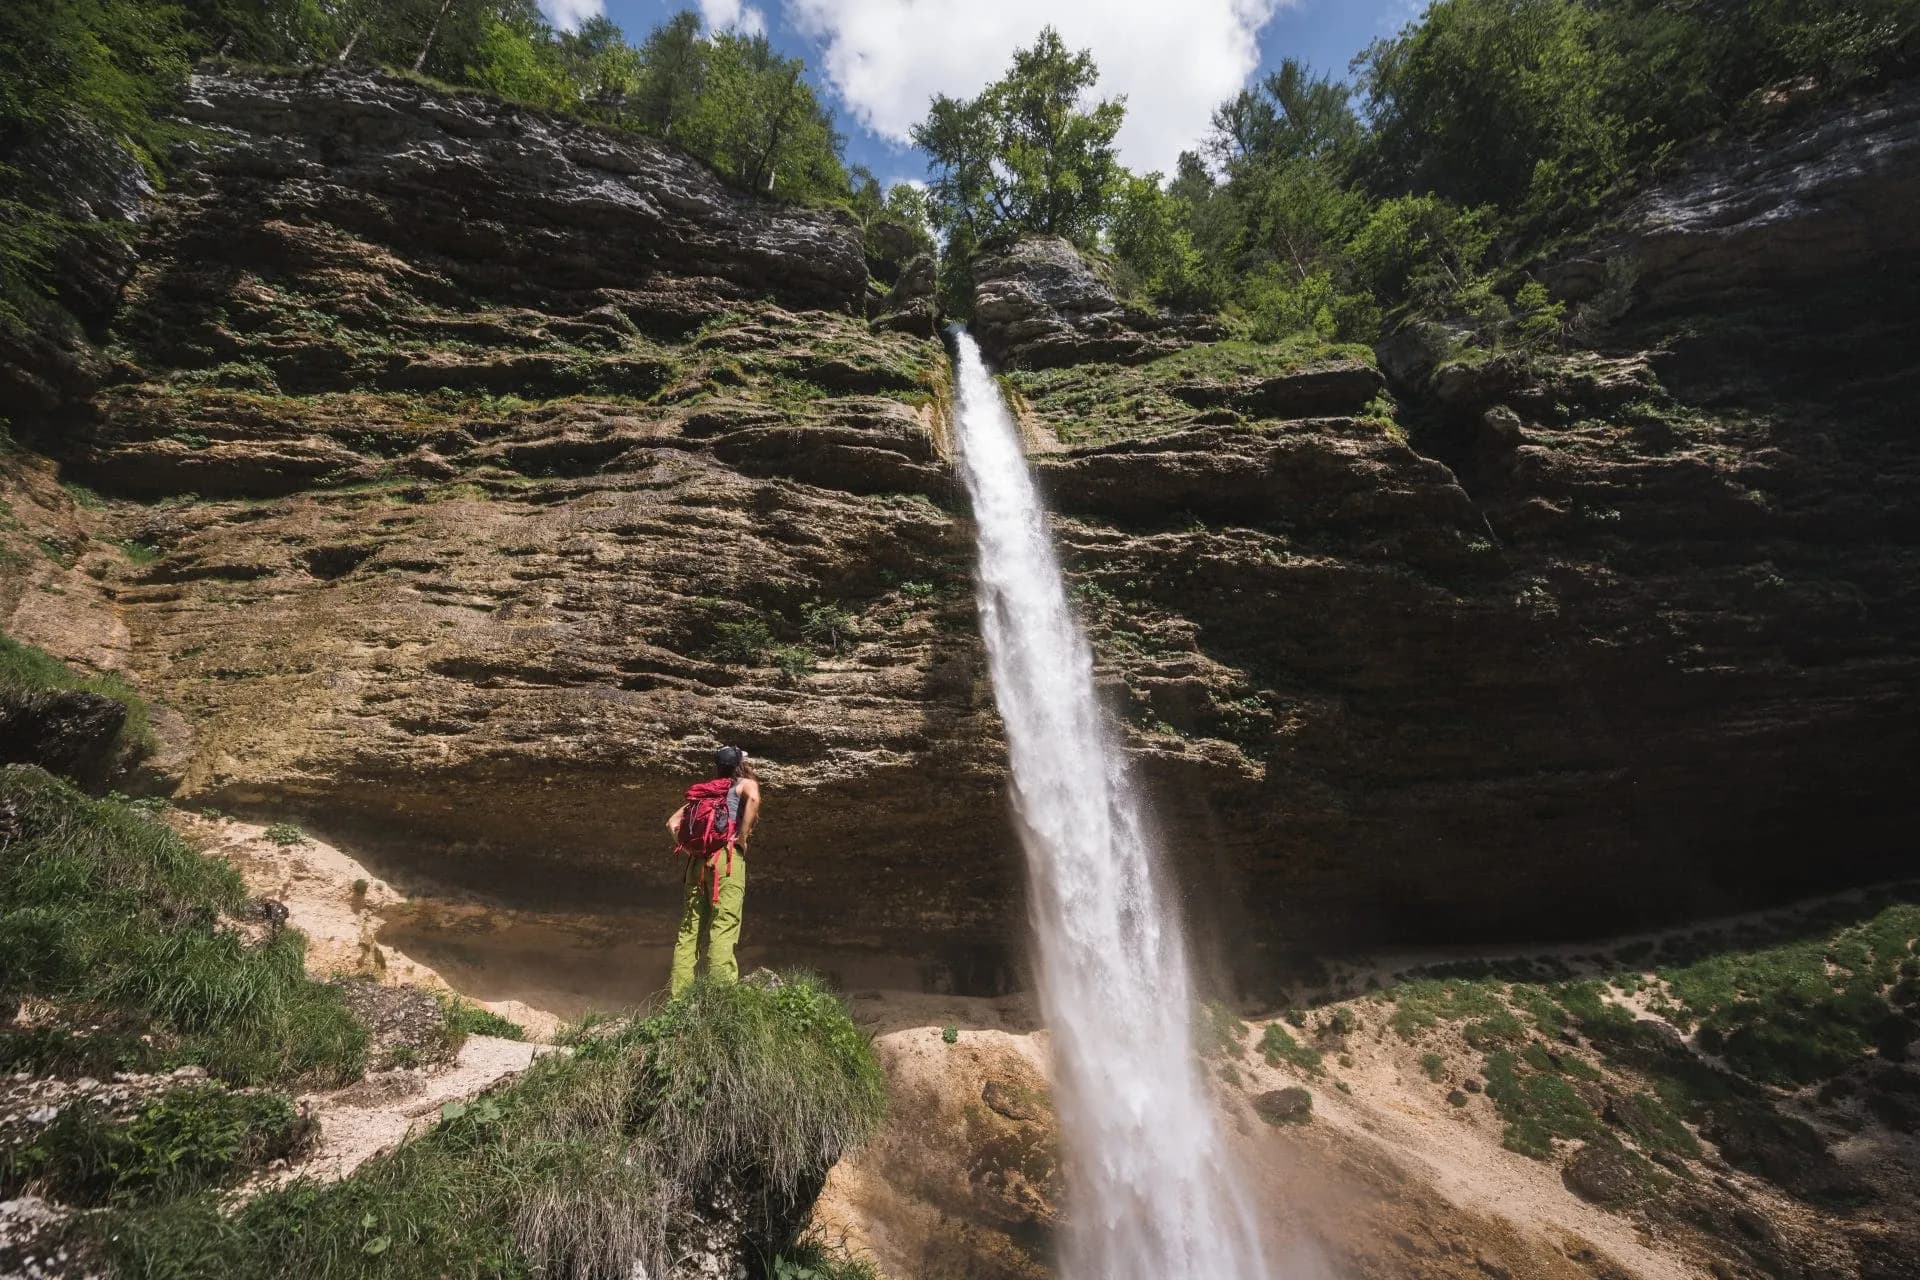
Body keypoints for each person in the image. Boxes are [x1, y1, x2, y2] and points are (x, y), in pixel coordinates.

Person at [665, 745, 760, 997]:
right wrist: (741, 837)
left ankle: (679, 1000)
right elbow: (753, 798)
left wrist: (688, 849)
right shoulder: (744, 784)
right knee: (723, 925)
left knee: (689, 931)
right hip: (726, 859)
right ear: (739, 765)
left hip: (697, 864)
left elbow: (672, 823)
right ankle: (722, 998)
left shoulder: (705, 795)